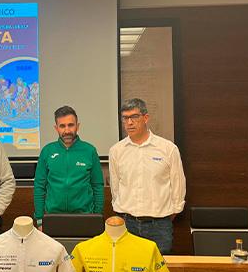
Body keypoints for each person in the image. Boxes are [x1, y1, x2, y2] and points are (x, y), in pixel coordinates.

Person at [109, 98, 186, 254]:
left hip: (159, 226)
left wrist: (165, 215)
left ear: (146, 118)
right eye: (125, 118)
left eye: (134, 117)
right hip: (127, 225)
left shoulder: (167, 149)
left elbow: (178, 187)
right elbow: (115, 188)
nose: (129, 122)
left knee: (159, 268)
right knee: (128, 267)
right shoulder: (116, 151)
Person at [33, 105, 104, 228]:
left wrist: (97, 216)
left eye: (71, 125)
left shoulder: (89, 151)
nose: (67, 130)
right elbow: (39, 187)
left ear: (78, 126)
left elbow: (98, 186)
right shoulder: (47, 151)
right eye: (62, 126)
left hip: (85, 217)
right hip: (52, 217)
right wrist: (39, 219)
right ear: (56, 128)